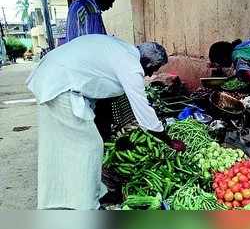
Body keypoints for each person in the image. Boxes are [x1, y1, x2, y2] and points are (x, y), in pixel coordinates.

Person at [26, 34, 185, 210]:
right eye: (153, 68)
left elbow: (102, 90)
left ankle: (65, 196)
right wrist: (169, 141)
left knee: (64, 146)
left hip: (54, 76)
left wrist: (106, 129)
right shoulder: (131, 65)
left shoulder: (122, 50)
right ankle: (87, 204)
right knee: (89, 146)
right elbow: (143, 110)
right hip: (61, 85)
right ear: (146, 61)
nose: (151, 73)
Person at [66, 0, 117, 141]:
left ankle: (104, 143)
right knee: (94, 117)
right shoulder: (84, 9)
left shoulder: (93, 10)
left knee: (102, 114)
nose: (111, 6)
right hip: (87, 73)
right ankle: (100, 148)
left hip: (93, 73)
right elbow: (84, 46)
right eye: (110, 1)